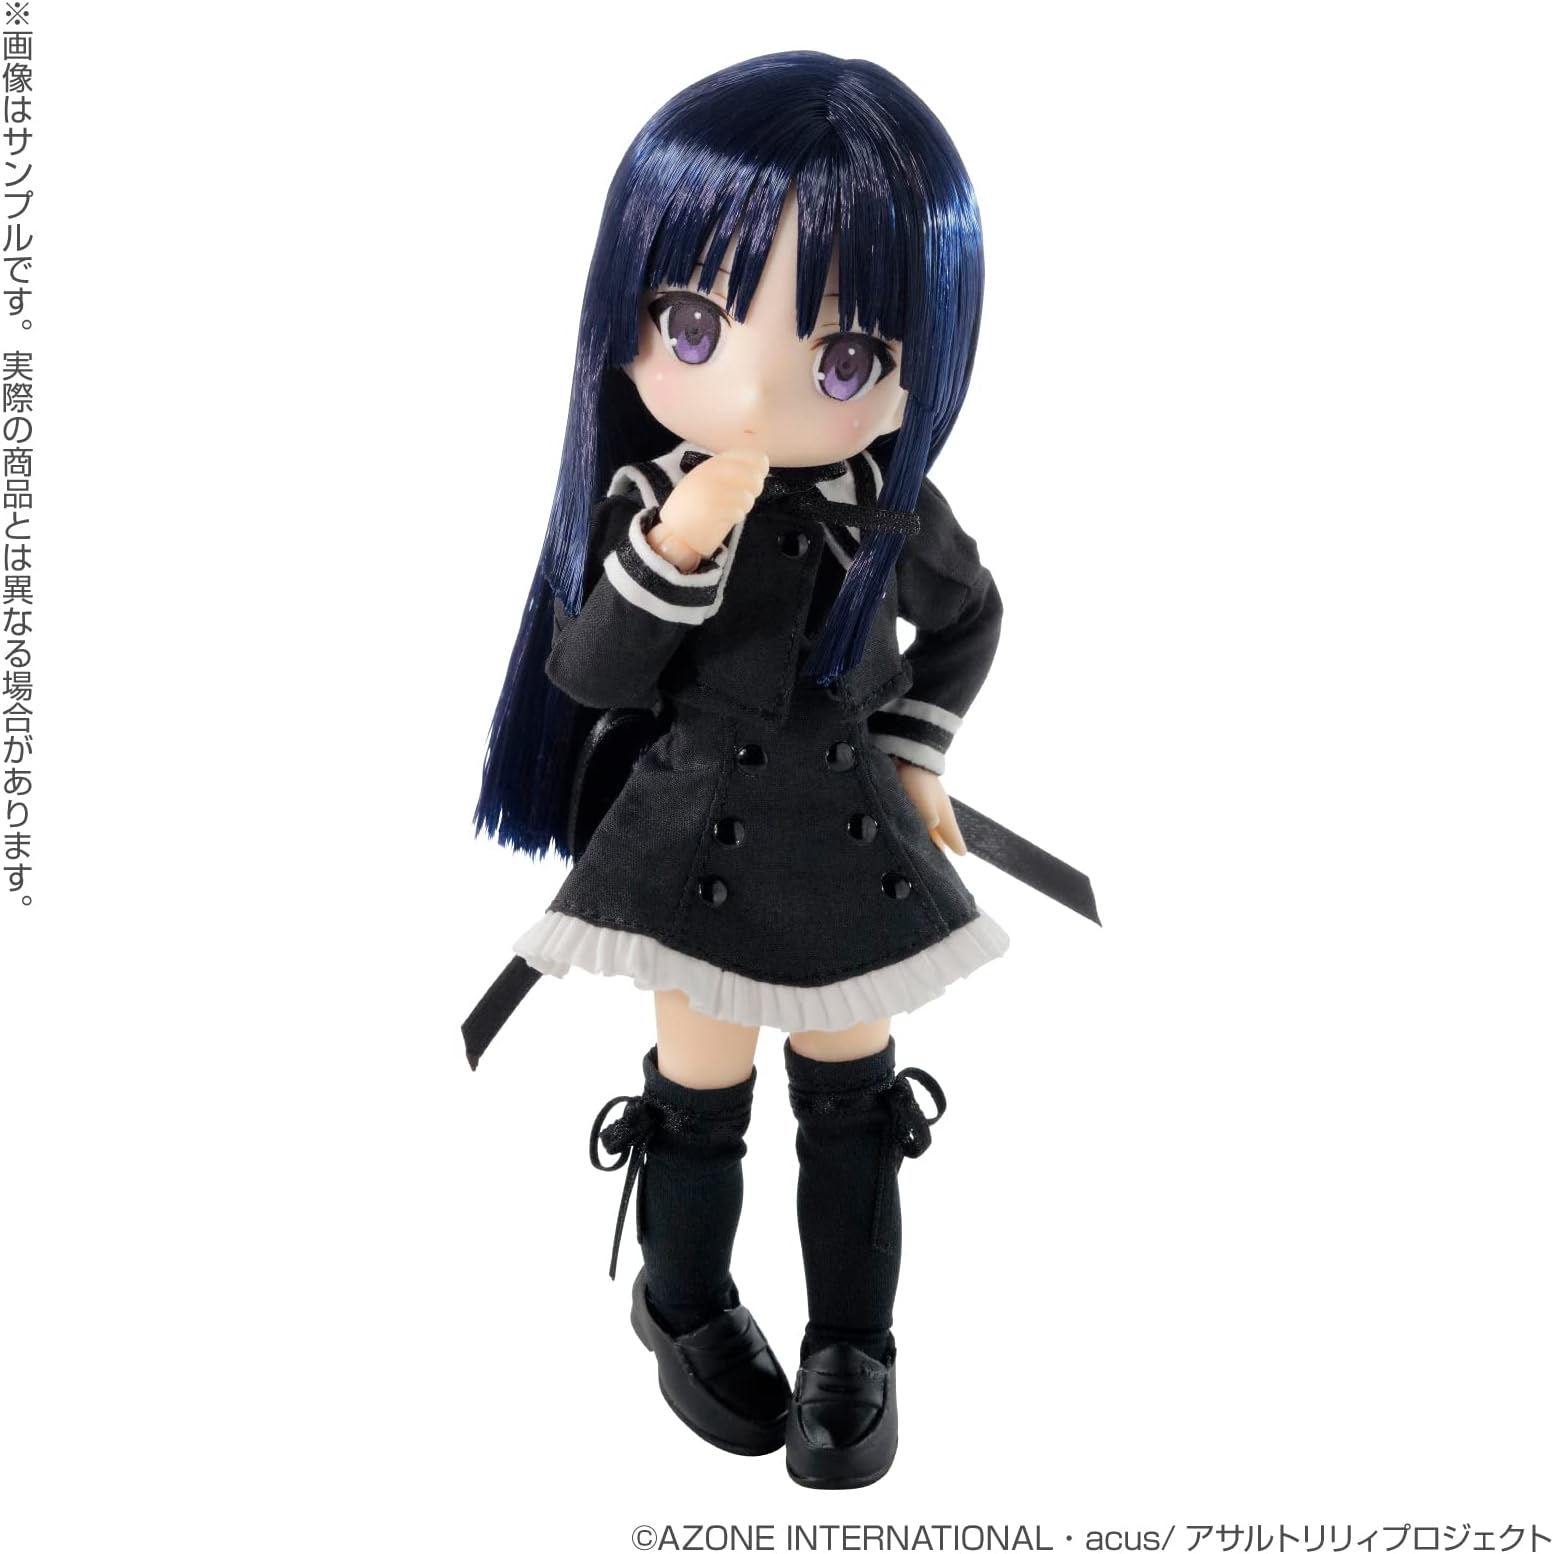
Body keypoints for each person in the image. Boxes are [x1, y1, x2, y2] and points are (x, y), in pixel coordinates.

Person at [473, 51, 1004, 1490]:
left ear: (912, 368)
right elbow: (592, 674)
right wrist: (678, 543)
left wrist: (914, 750)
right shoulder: (649, 498)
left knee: (856, 1099)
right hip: (692, 836)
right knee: (696, 1090)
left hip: (842, 841)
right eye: (696, 325)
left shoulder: (887, 507)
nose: (760, 388)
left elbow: (969, 616)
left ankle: (854, 1343)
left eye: (842, 359)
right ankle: (685, 1300)